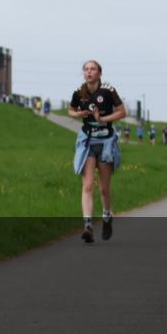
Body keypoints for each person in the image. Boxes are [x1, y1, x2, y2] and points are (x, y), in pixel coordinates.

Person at [68, 60, 127, 243]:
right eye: (86, 69)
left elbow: (122, 112)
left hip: (106, 141)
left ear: (100, 73)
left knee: (103, 188)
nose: (89, 72)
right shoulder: (79, 92)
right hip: (88, 141)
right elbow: (70, 110)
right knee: (87, 185)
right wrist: (77, 114)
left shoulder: (108, 90)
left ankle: (107, 216)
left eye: (93, 69)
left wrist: (103, 119)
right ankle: (87, 226)